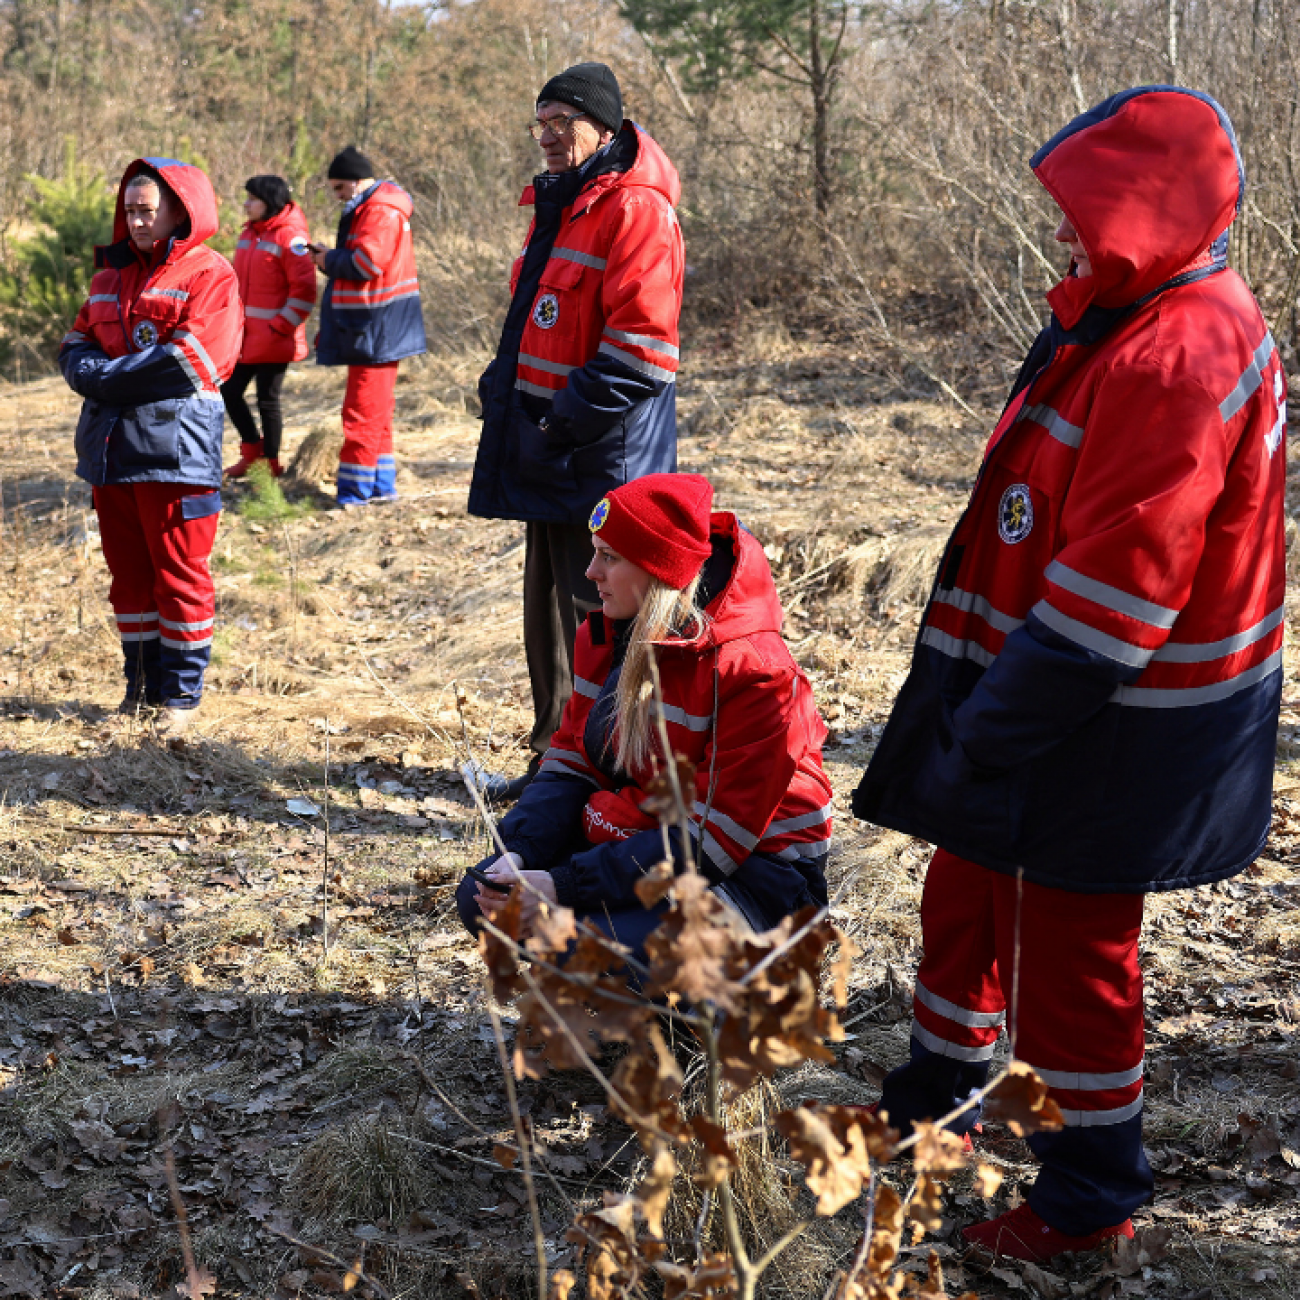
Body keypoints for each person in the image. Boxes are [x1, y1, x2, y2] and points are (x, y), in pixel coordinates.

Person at [852, 87, 1286, 1262]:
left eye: (1083, 212)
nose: (1060, 234)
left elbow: (1121, 589)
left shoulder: (1180, 348)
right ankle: (937, 1093)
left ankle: (1090, 1198)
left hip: (1115, 716)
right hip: (1038, 682)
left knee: (1072, 955)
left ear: (1146, 212)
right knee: (965, 891)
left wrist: (992, 724)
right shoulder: (1128, 311)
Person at [456, 474, 833, 959]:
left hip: (762, 876)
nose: (590, 572)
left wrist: (560, 886)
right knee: (485, 901)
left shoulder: (755, 674)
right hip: (646, 835)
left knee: (601, 941)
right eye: (595, 552)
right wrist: (519, 853)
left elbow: (712, 842)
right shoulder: (608, 635)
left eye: (609, 557)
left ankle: (732, 989)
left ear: (659, 571)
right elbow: (571, 760)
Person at [468, 62, 684, 800]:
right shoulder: (562, 204)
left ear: (607, 129)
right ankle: (550, 765)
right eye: (543, 123)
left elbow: (642, 350)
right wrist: (507, 393)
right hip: (548, 447)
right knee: (549, 619)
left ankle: (611, 777)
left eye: (566, 123)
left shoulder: (636, 209)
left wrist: (560, 422)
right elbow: (541, 321)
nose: (552, 138)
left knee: (605, 618)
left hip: (601, 455)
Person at [60, 158, 243, 737]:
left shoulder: (209, 274)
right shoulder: (109, 277)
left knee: (179, 574)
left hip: (175, 453)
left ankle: (181, 699)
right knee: (128, 577)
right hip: (110, 453)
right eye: (130, 210)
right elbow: (75, 340)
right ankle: (138, 689)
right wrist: (88, 369)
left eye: (148, 210)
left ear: (178, 211)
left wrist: (105, 377)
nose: (137, 221)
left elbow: (192, 359)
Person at [312, 145, 426, 506]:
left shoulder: (378, 211)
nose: (338, 196)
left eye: (339, 188)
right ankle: (380, 486)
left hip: (375, 327)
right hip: (375, 326)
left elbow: (366, 262)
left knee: (361, 412)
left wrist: (326, 258)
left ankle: (353, 493)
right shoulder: (379, 207)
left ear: (357, 181)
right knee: (376, 412)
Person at [223, 175, 316, 479]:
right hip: (246, 336)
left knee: (268, 400)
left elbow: (304, 292)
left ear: (270, 202)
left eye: (253, 199)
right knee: (230, 391)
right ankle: (252, 452)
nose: (246, 204)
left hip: (276, 338)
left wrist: (279, 328)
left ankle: (271, 465)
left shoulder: (292, 237)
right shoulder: (250, 233)